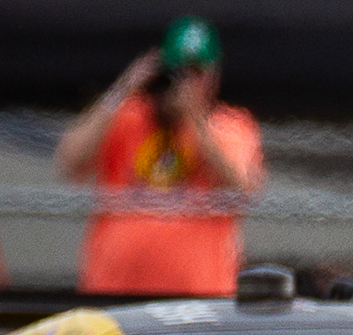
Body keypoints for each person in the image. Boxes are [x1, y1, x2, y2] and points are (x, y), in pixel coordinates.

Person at [58, 17, 264, 297]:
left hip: (200, 297)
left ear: (213, 78)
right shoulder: (126, 117)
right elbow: (70, 162)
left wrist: (193, 118)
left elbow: (240, 190)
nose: (183, 83)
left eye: (195, 73)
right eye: (177, 71)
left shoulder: (230, 127)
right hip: (113, 292)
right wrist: (122, 89)